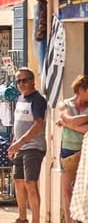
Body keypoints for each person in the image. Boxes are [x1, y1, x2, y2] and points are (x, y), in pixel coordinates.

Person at [8, 67, 47, 223]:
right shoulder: (20, 99)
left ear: (32, 81)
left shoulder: (37, 99)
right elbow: (18, 124)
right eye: (18, 81)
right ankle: (22, 217)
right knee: (18, 181)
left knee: (31, 183)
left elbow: (38, 124)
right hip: (20, 147)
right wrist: (14, 143)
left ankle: (36, 220)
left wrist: (20, 142)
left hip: (33, 147)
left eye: (24, 80)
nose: (21, 84)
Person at [57, 75, 88, 223]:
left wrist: (66, 124)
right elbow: (69, 119)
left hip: (85, 150)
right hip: (68, 149)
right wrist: (72, 122)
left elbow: (84, 128)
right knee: (67, 190)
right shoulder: (65, 103)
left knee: (84, 190)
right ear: (81, 89)